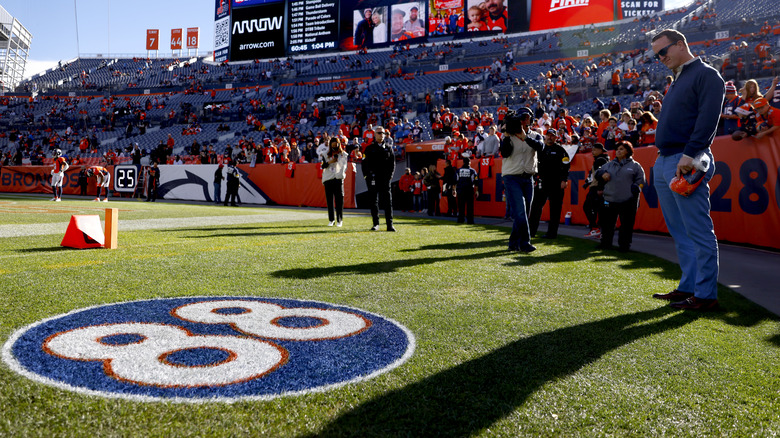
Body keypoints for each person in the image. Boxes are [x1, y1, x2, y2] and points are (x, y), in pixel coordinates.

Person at [650, 29, 724, 311]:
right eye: (657, 54)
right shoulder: (679, 78)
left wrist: (691, 152)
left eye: (663, 51)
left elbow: (708, 119)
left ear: (681, 44)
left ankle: (705, 295)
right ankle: (688, 287)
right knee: (680, 232)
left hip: (686, 158)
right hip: (666, 158)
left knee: (698, 231)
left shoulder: (706, 74)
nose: (661, 58)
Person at [501, 107, 543, 253]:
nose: (525, 120)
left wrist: (525, 137)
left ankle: (513, 243)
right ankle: (525, 243)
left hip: (528, 177)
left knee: (524, 213)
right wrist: (506, 136)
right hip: (511, 176)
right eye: (522, 117)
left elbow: (540, 147)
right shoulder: (509, 135)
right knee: (520, 212)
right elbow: (505, 153)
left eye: (527, 117)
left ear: (531, 119)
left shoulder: (536, 135)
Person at [594, 141, 645, 252]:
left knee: (626, 225)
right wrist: (602, 174)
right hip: (609, 199)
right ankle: (605, 244)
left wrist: (636, 187)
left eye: (621, 149)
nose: (618, 151)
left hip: (628, 201)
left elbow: (641, 180)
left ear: (628, 151)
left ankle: (624, 246)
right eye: (617, 149)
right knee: (607, 224)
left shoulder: (635, 166)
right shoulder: (609, 164)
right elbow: (597, 173)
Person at [528, 130, 570, 239]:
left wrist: (564, 180)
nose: (550, 138)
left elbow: (566, 165)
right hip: (542, 182)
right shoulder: (540, 148)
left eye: (552, 136)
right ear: (545, 136)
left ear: (556, 138)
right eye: (548, 135)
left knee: (555, 209)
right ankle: (530, 232)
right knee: (535, 208)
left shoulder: (561, 150)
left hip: (556, 183)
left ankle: (552, 233)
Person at [362, 126, 396, 231]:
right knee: (373, 201)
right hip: (372, 178)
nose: (381, 135)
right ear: (374, 135)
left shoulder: (389, 148)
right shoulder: (369, 148)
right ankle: (375, 224)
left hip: (385, 178)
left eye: (382, 133)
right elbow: (364, 164)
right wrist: (366, 176)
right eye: (379, 133)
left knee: (388, 201)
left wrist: (390, 176)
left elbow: (392, 163)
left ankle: (389, 225)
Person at [582, 143, 610, 238]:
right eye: (592, 150)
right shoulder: (601, 159)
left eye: (594, 150)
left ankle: (595, 228)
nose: (592, 152)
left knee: (587, 207)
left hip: (597, 188)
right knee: (598, 209)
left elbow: (602, 174)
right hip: (598, 187)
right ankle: (598, 231)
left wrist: (600, 188)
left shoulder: (601, 160)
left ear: (600, 150)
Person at [322, 137, 348, 227]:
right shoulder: (325, 154)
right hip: (328, 179)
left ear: (339, 144)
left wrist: (341, 174)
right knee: (329, 201)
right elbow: (323, 166)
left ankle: (339, 220)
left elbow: (345, 167)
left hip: (338, 178)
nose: (334, 147)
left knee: (339, 201)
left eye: (336, 145)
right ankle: (331, 220)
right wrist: (330, 162)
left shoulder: (343, 154)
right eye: (332, 145)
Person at [455, 157, 478, 224]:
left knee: (461, 206)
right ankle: (470, 221)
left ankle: (460, 220)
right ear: (469, 162)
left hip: (460, 190)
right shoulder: (472, 171)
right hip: (469, 190)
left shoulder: (458, 170)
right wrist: (477, 190)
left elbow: (455, 180)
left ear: (463, 162)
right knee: (470, 206)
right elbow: (476, 181)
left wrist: (454, 190)